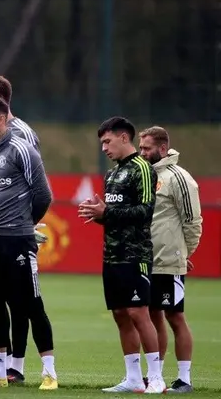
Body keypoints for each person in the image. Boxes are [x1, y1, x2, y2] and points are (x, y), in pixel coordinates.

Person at [0, 96, 57, 390]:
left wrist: (24, 224)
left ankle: (49, 373)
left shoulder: (23, 149)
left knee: (31, 304)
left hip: (17, 240)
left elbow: (43, 194)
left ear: (1, 120)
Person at [78, 117, 162, 393]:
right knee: (120, 315)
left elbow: (145, 213)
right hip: (111, 256)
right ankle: (133, 379)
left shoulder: (143, 169)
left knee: (139, 313)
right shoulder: (112, 174)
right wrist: (98, 213)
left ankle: (157, 377)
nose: (103, 148)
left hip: (135, 254)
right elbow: (113, 215)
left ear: (124, 137)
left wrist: (108, 213)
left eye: (107, 141)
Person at [138, 126, 201, 393]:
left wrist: (185, 252)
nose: (142, 152)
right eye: (140, 148)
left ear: (162, 149)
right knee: (153, 317)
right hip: (147, 258)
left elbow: (193, 220)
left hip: (169, 260)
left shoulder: (179, 178)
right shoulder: (147, 175)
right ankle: (157, 377)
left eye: (146, 148)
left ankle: (184, 379)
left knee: (175, 316)